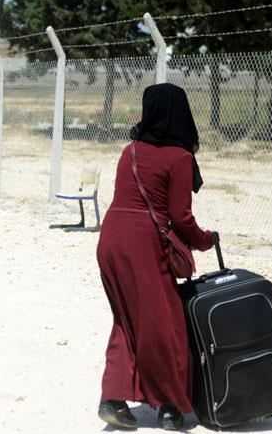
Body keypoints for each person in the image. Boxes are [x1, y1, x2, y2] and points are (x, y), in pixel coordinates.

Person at [95, 83, 215, 431]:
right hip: (143, 245)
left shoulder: (130, 151)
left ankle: (113, 399)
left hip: (111, 240)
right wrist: (206, 240)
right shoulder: (179, 157)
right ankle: (169, 407)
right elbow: (181, 217)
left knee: (126, 318)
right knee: (166, 324)